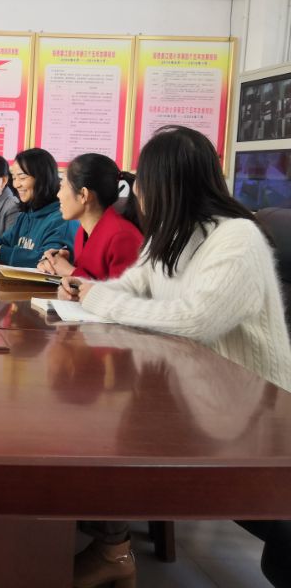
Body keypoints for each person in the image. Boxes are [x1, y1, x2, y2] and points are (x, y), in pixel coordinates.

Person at [61, 126, 291, 588]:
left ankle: (109, 549)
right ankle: (107, 544)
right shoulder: (171, 235)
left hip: (248, 412)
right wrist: (86, 289)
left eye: (143, 182)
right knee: (91, 415)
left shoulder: (237, 239)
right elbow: (130, 287)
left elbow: (196, 319)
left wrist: (97, 298)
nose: (137, 193)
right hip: (192, 389)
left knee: (103, 423)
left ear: (168, 185)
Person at [0, 147, 76, 267]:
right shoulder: (26, 213)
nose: (16, 184)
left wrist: (0, 253)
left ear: (42, 178)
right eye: (14, 178)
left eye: (22, 177)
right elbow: (5, 241)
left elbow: (50, 260)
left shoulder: (62, 219)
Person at [37, 153, 143, 280]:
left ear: (84, 195)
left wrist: (70, 271)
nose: (58, 195)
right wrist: (59, 264)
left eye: (62, 186)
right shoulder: (82, 232)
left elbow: (123, 291)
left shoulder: (122, 237)